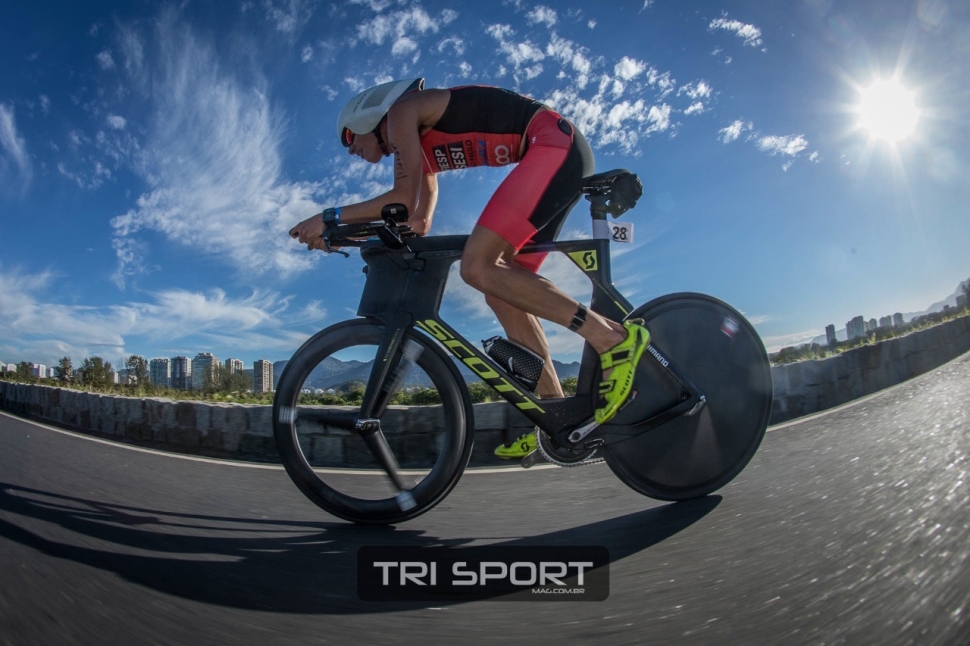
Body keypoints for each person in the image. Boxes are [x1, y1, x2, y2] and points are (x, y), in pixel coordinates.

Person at [289, 78, 649, 459]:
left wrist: (328, 216)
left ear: (365, 117)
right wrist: (345, 233)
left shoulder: (400, 113)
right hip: (552, 151)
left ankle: (611, 337)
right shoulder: (417, 152)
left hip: (551, 144)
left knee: (478, 266)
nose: (351, 151)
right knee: (501, 290)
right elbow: (416, 221)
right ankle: (558, 416)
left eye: (349, 139)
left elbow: (398, 198)